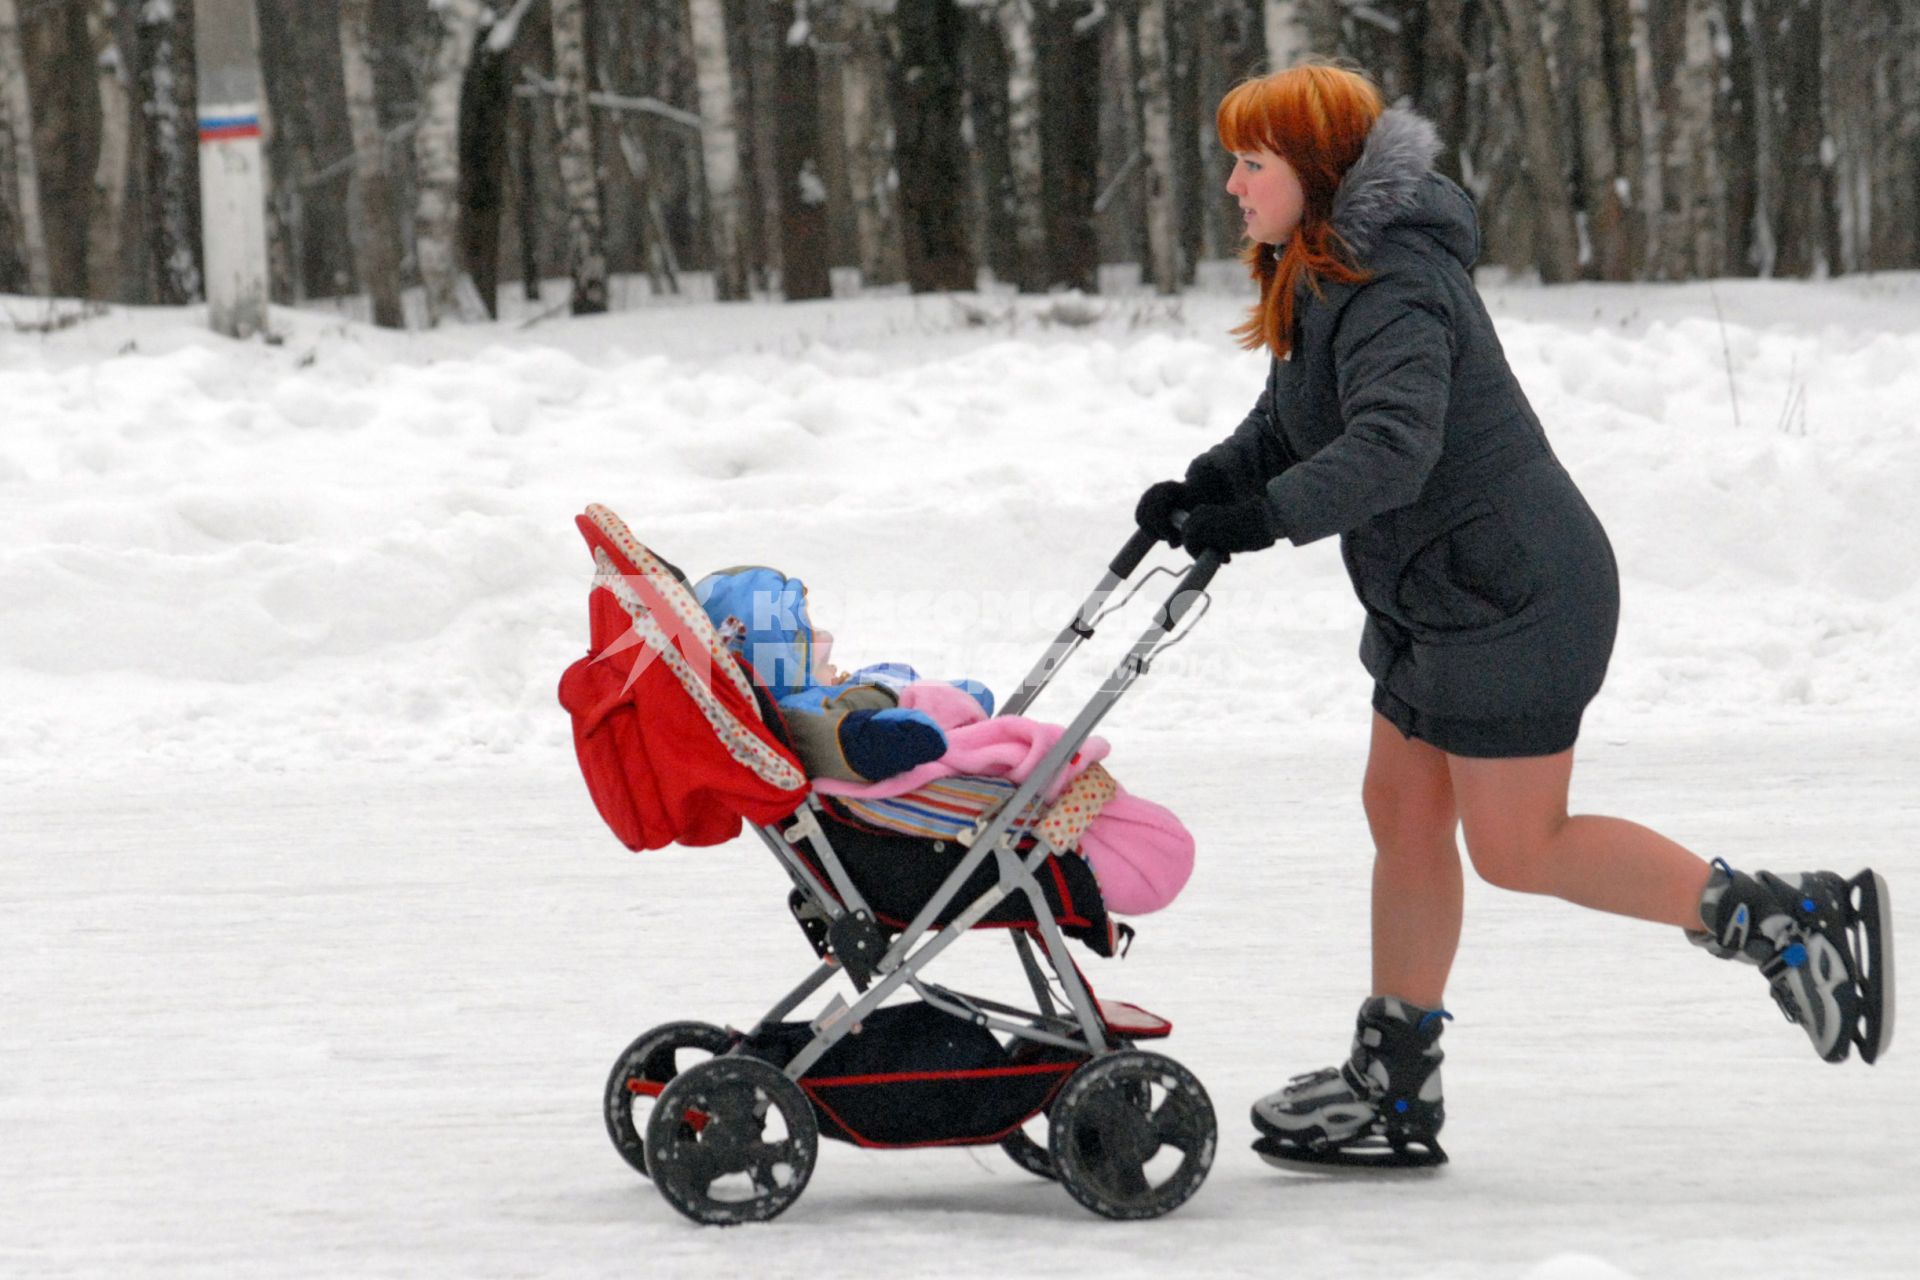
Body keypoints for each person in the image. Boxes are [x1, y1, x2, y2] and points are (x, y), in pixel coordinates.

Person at [1133, 64, 1893, 1168]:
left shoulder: (1395, 283)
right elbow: (1296, 415)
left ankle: (1785, 919)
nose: (1235, 183)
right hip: (1432, 591)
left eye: (1255, 162)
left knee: (1518, 845)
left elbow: (1392, 447)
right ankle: (1393, 1084)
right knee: (1399, 806)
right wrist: (1210, 482)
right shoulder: (1323, 270)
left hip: (1512, 592)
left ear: (1317, 172)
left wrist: (1267, 518)